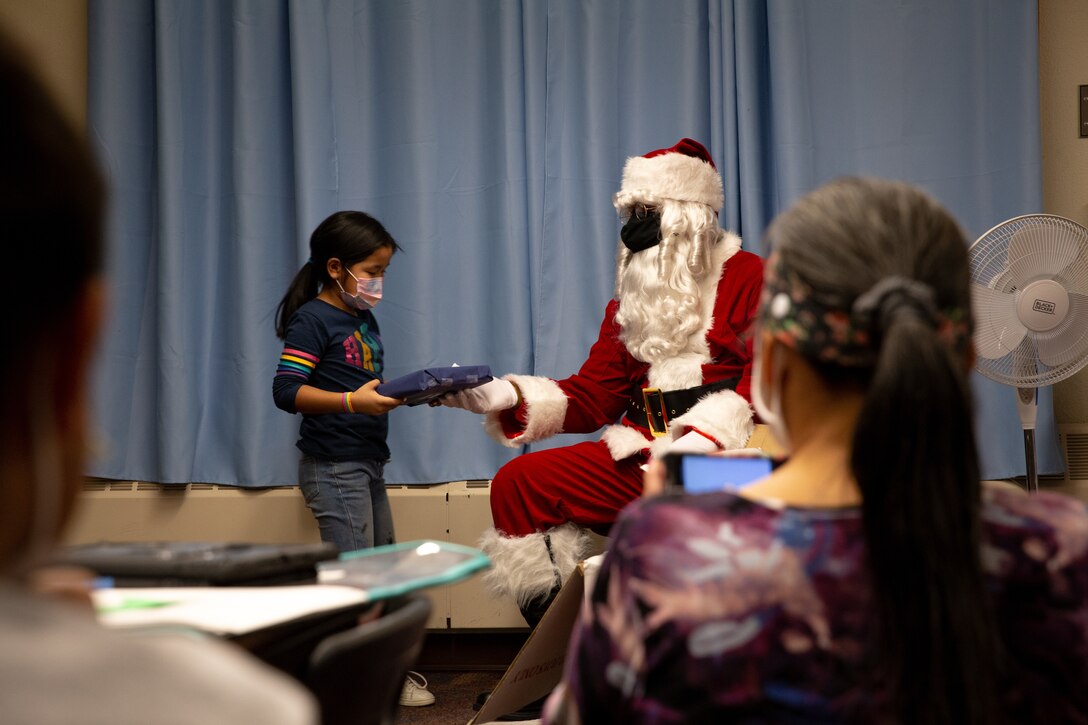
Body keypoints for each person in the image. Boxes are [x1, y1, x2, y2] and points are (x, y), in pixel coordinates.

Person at [543, 177, 1088, 724]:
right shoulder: (1063, 550)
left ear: (774, 364)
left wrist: (668, 521)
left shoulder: (662, 551)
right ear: (966, 355)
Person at [0, 33, 317, 724]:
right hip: (336, 465)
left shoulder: (362, 326)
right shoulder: (225, 707)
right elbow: (289, 389)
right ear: (75, 353)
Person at [441, 138, 764, 625]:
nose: (634, 231)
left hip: (731, 461)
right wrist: (506, 394)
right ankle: (561, 657)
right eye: (630, 213)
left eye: (647, 212)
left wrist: (703, 441)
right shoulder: (634, 300)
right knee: (520, 483)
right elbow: (595, 395)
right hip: (642, 454)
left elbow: (766, 385)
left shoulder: (750, 277)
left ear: (690, 215)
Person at [272, 212, 434, 707]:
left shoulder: (361, 316)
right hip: (334, 465)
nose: (378, 281)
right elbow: (286, 390)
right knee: (357, 580)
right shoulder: (313, 319)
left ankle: (377, 677)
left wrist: (412, 393)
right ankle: (353, 691)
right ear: (337, 268)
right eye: (372, 270)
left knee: (381, 569)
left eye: (383, 271)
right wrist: (352, 404)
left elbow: (361, 386)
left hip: (367, 461)